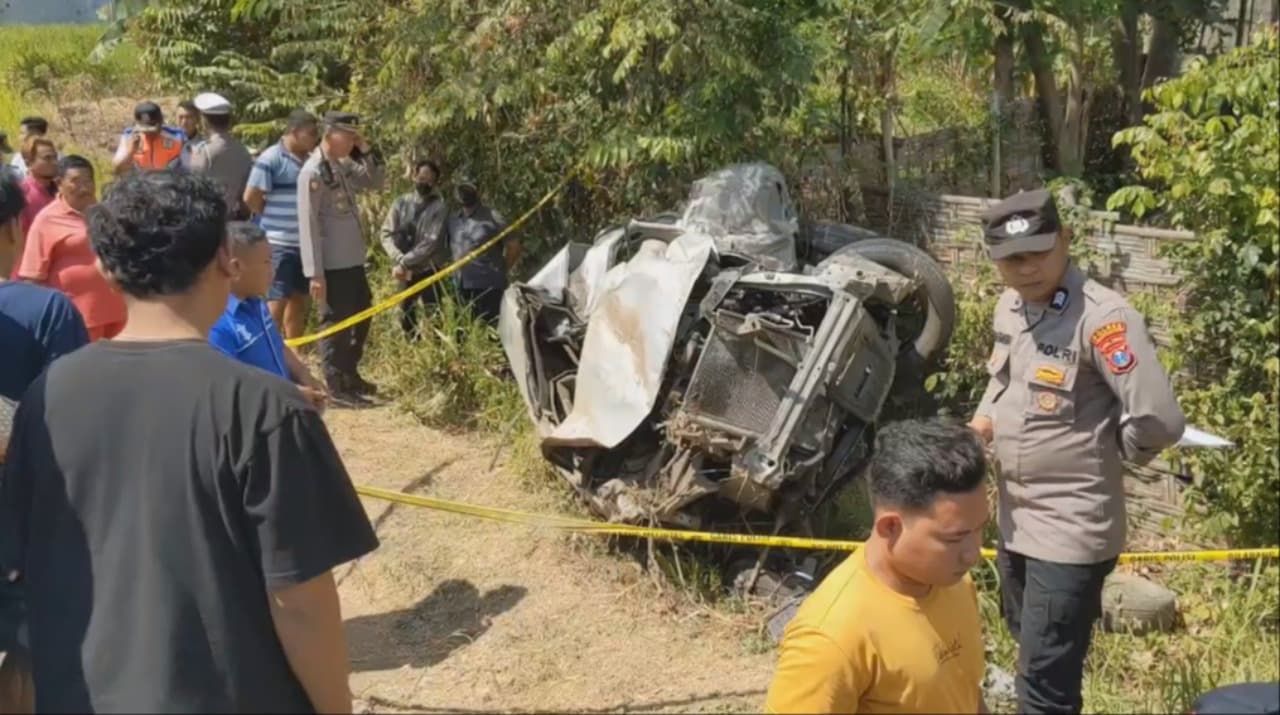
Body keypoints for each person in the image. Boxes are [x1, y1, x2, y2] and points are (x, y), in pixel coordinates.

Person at [0, 170, 379, 713]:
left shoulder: (45, 397)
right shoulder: (267, 408)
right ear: (227, 259)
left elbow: (27, 562)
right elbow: (301, 603)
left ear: (105, 269)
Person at [968, 188, 1185, 714]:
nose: (1027, 268)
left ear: (1065, 239)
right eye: (1012, 259)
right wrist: (979, 427)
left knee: (1046, 689)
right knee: (1028, 649)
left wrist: (1110, 446)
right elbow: (1005, 385)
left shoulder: (1104, 319)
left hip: (1070, 528)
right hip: (1017, 520)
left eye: (1039, 252)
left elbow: (1159, 419)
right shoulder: (1011, 307)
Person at [765, 418, 990, 714]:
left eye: (979, 528)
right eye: (955, 538)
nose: (973, 554)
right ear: (890, 528)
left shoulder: (956, 583)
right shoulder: (831, 637)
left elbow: (964, 690)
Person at [0, 167, 87, 715]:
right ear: (14, 227)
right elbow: (72, 435)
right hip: (24, 528)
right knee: (32, 655)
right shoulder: (44, 313)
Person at [297, 111, 384, 402]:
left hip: (353, 259)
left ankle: (350, 373)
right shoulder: (312, 172)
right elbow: (307, 224)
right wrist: (314, 273)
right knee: (335, 323)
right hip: (332, 264)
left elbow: (374, 181)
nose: (352, 141)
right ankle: (335, 385)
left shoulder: (340, 166)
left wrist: (366, 150)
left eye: (355, 137)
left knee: (361, 314)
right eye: (348, 136)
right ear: (330, 133)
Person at [210, 221, 328, 412]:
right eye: (266, 262)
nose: (272, 270)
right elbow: (230, 387)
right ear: (236, 268)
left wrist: (304, 375)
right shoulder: (217, 324)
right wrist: (292, 395)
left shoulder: (257, 305)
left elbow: (278, 346)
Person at [19, 156, 128, 341]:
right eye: (76, 182)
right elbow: (32, 278)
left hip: (117, 313)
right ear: (59, 183)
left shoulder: (104, 213)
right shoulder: (47, 220)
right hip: (76, 319)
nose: (84, 188)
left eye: (88, 181)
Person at [245, 110, 320, 340]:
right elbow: (251, 197)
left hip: (304, 244)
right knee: (276, 299)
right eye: (311, 133)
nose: (315, 139)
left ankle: (293, 349)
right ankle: (267, 351)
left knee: (298, 298)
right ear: (295, 132)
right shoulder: (271, 158)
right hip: (279, 243)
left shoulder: (310, 160)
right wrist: (269, 215)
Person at [378, 158, 448, 340]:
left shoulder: (439, 207)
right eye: (421, 176)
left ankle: (436, 351)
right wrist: (397, 257)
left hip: (429, 269)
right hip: (405, 270)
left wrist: (404, 261)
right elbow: (386, 233)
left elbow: (431, 242)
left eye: (429, 178)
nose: (424, 181)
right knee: (405, 313)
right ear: (414, 176)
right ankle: (412, 345)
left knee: (434, 314)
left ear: (435, 182)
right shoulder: (400, 203)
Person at [445, 175, 518, 324]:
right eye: (461, 190)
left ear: (477, 191)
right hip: (460, 286)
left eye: (468, 189)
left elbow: (513, 245)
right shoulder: (452, 219)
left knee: (491, 332)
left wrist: (502, 269)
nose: (464, 194)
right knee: (461, 332)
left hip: (488, 286)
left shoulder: (493, 217)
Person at [188, 92, 252, 220]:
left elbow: (194, 188)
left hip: (207, 219)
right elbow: (245, 194)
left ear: (204, 121)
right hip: (234, 217)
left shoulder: (204, 151)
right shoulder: (243, 151)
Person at [111, 101, 189, 175]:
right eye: (144, 130)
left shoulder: (177, 137)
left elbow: (189, 168)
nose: (148, 134)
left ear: (161, 122)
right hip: (140, 184)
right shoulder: (129, 136)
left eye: (152, 130)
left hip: (169, 184)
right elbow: (116, 170)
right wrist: (131, 152)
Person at [17, 136, 58, 237]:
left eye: (55, 157)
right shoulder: (22, 195)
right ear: (28, 163)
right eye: (47, 158)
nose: (54, 162)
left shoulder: (62, 191)